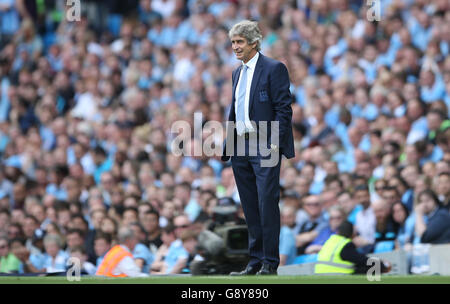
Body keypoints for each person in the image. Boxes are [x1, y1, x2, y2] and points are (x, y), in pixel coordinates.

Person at [222, 20, 294, 276]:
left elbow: (283, 109)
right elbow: (235, 110)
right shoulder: (236, 72)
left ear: (254, 42)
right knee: (250, 204)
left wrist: (274, 143)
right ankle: (255, 261)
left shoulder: (274, 68)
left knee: (266, 202)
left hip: (264, 143)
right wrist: (227, 144)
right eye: (233, 42)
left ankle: (270, 263)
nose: (235, 47)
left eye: (240, 42)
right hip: (240, 144)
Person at [315, 221, 391, 275]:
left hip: (322, 277)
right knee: (374, 267)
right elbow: (361, 260)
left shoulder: (330, 241)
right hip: (337, 277)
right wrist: (381, 264)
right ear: (352, 234)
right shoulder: (345, 245)